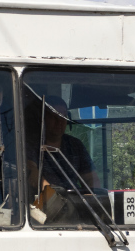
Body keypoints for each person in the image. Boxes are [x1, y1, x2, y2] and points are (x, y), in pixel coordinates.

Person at [26, 94, 99, 224]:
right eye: (54, 116)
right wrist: (58, 202)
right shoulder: (31, 145)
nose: (60, 121)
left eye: (63, 116)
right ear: (42, 119)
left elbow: (91, 180)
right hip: (43, 212)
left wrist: (91, 202)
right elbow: (33, 175)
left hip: (75, 209)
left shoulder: (76, 145)